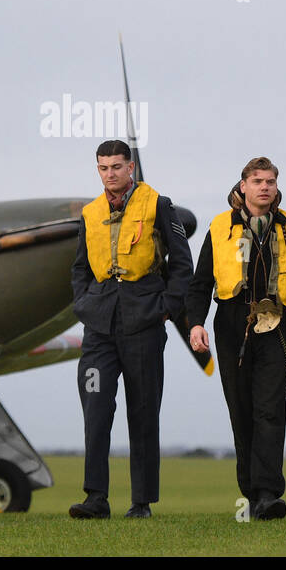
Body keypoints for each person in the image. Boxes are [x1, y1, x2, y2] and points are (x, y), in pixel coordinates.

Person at [70, 140, 193, 518]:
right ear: (98, 170)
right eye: (104, 167)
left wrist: (166, 309)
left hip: (144, 319)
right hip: (99, 326)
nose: (111, 173)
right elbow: (78, 268)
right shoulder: (90, 213)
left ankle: (141, 503)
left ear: (131, 168)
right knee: (95, 408)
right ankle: (96, 499)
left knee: (142, 411)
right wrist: (84, 304)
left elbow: (182, 261)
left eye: (117, 166)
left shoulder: (159, 205)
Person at [186, 157, 286, 520]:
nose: (264, 187)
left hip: (277, 325)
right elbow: (199, 285)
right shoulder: (219, 226)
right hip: (232, 324)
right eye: (257, 181)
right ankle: (251, 490)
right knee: (242, 411)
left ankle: (268, 494)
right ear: (242, 186)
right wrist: (196, 323)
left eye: (270, 181)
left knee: (270, 410)